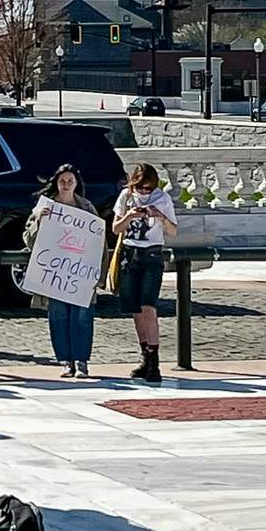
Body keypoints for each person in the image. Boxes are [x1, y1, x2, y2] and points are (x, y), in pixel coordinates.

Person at [26, 165, 97, 378]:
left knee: (82, 317)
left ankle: (81, 360)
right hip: (55, 273)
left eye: (70, 181)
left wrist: (98, 275)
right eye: (62, 181)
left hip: (81, 273)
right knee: (58, 316)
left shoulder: (86, 207)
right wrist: (38, 219)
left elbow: (98, 242)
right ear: (56, 183)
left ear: (76, 183)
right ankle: (65, 361)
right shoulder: (45, 207)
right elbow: (29, 240)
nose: (66, 185)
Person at [114, 163, 179, 384]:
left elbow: (173, 230)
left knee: (148, 307)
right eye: (140, 188)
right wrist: (130, 216)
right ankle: (145, 355)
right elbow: (115, 228)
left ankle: (154, 360)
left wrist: (159, 216)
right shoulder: (126, 196)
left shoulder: (162, 198)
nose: (143, 192)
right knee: (135, 309)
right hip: (130, 253)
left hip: (151, 254)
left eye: (148, 189)